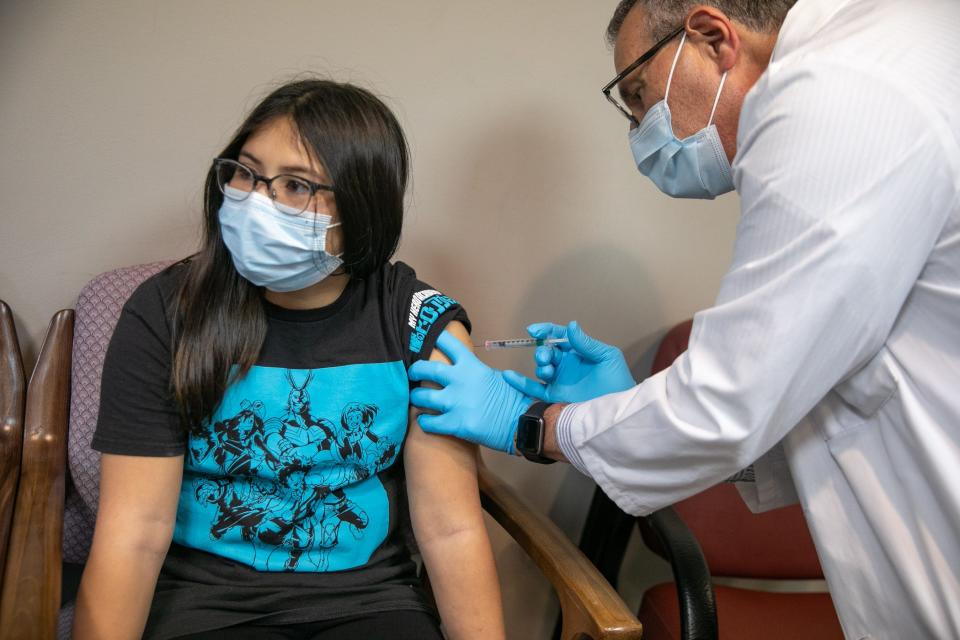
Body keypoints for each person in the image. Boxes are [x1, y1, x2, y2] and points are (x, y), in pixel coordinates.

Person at [407, 0, 960, 638]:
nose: (640, 127)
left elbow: (730, 403)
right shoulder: (896, 53)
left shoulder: (835, 93)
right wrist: (633, 406)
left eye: (639, 94)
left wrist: (536, 426)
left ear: (712, 36)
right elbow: (800, 389)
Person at [73, 79, 505, 640]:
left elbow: (450, 530)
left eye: (296, 185)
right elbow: (134, 532)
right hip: (206, 608)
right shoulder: (164, 312)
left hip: (369, 605)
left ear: (362, 207)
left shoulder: (419, 324)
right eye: (247, 173)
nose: (257, 201)